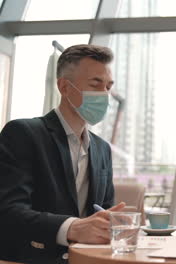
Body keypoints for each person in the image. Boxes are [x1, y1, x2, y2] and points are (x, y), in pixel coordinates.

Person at [0, 44, 124, 264]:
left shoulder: (102, 148)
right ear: (64, 87)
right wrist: (72, 228)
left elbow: (103, 211)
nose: (105, 94)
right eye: (96, 84)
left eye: (108, 86)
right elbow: (8, 211)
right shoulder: (23, 133)